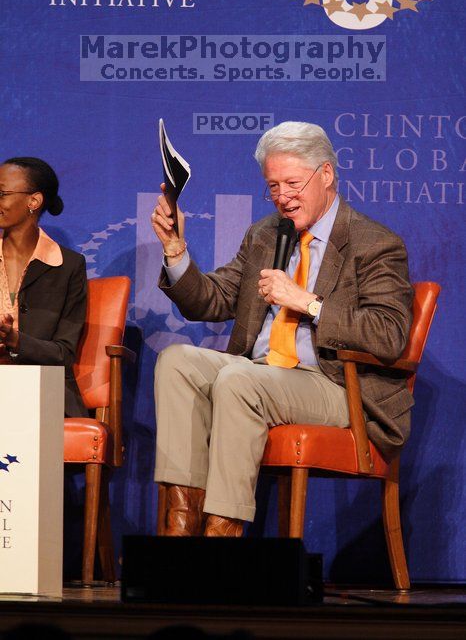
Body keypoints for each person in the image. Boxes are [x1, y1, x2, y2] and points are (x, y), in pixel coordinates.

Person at [151, 122, 413, 537]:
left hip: (336, 386)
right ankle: (180, 529)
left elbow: (388, 334)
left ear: (325, 175)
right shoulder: (265, 234)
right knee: (177, 361)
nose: (282, 197)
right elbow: (214, 299)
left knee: (239, 379)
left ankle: (222, 537)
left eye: (292, 183)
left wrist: (306, 302)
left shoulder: (374, 242)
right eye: (272, 186)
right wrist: (174, 249)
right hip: (261, 373)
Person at [0, 157, 87, 416]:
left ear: (33, 201)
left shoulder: (68, 266)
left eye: (2, 193)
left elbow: (64, 353)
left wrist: (15, 340)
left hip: (42, 390)